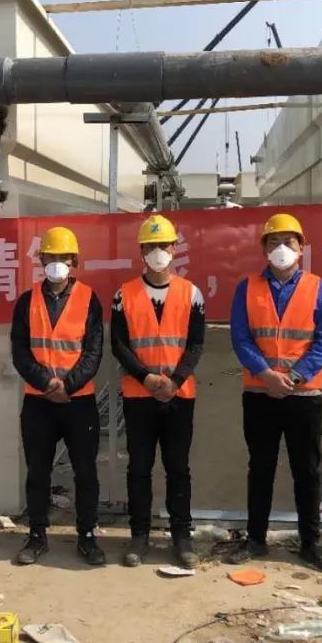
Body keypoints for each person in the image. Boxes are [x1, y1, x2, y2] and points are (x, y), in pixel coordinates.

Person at [228, 213, 322, 572]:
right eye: (273, 242)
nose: (281, 249)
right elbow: (241, 337)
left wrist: (293, 376)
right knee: (260, 468)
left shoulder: (319, 289)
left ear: (301, 248)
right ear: (263, 248)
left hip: (303, 396)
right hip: (259, 394)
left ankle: (311, 543)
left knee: (306, 471)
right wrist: (265, 374)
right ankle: (255, 539)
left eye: (288, 242)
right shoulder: (247, 288)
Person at [111, 214, 205, 568]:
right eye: (150, 246)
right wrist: (145, 377)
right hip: (139, 396)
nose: (157, 252)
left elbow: (195, 344)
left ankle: (182, 536)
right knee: (139, 467)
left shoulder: (191, 293)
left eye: (163, 245)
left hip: (179, 395)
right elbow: (119, 344)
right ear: (141, 251)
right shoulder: (123, 295)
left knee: (178, 468)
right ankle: (139, 534)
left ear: (174, 248)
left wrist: (175, 381)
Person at [10, 226, 106, 566]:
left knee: (86, 472)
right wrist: (46, 383)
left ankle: (87, 536)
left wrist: (68, 385)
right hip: (38, 401)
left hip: (79, 402)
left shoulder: (89, 299)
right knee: (37, 472)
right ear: (41, 261)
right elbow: (20, 351)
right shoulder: (27, 302)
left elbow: (93, 351)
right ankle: (37, 535)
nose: (56, 262)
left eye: (63, 257)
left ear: (74, 260)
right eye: (50, 256)